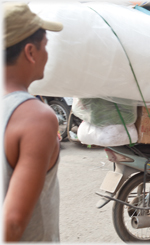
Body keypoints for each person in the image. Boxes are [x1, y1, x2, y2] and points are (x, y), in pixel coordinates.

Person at [3, 2, 63, 242]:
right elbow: (13, 222)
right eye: (45, 46)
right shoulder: (34, 117)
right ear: (30, 52)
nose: (47, 55)